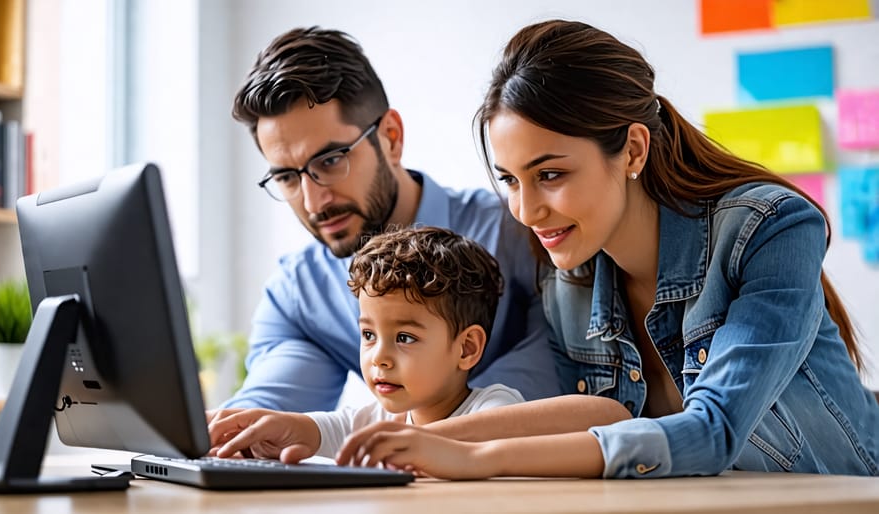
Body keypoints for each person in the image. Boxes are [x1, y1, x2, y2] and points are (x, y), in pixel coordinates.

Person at [335, 19, 879, 478]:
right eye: (511, 180)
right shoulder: (567, 279)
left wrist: (477, 456)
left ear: (633, 150)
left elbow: (714, 432)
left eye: (549, 174)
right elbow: (597, 414)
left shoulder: (770, 228)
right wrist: (427, 441)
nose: (526, 211)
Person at [215, 27, 565, 416]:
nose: (314, 201)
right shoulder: (301, 293)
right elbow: (269, 415)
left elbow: (563, 381)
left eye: (330, 161)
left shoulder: (522, 233)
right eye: (286, 177)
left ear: (391, 137)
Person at [208, 227, 528, 462]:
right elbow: (330, 428)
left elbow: (501, 433)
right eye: (368, 335)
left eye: (404, 338)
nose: (379, 358)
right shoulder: (378, 418)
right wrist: (281, 424)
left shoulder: (495, 407)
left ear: (467, 348)